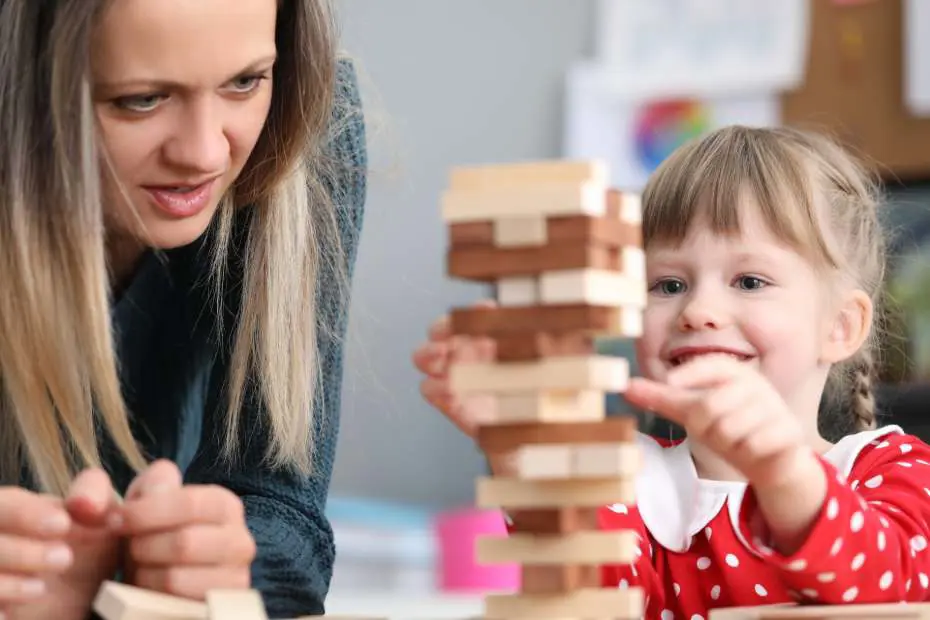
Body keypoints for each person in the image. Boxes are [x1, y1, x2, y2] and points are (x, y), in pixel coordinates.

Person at [413, 125, 930, 618]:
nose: (698, 311)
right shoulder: (625, 478)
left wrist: (784, 476)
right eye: (668, 285)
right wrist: (518, 444)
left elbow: (890, 590)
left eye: (749, 281)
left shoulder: (895, 470)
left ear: (840, 326)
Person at [0, 0, 365, 618]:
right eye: (141, 100)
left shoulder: (304, 116)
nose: (204, 155)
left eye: (244, 82)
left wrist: (221, 567)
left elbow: (286, 521)